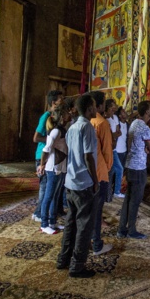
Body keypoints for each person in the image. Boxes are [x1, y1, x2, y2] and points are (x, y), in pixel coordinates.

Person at [57, 94, 99, 278]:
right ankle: (77, 265)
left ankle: (63, 259)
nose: (97, 109)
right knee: (84, 225)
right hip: (83, 182)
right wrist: (95, 180)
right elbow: (88, 157)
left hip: (71, 180)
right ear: (90, 108)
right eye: (95, 106)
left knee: (71, 222)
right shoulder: (87, 127)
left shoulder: (73, 127)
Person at [118, 100, 150, 239]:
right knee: (135, 200)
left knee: (128, 198)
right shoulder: (145, 128)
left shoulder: (133, 123)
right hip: (139, 167)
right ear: (147, 112)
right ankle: (131, 230)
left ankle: (121, 229)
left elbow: (130, 145)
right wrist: (146, 149)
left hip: (130, 164)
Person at [37, 105, 70, 234]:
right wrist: (42, 164)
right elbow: (46, 149)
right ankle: (44, 224)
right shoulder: (56, 131)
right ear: (62, 116)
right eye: (67, 113)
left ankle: (52, 221)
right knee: (49, 196)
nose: (69, 115)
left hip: (61, 166)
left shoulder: (63, 129)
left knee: (56, 196)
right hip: (53, 168)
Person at [89, 91, 113, 256]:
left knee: (89, 209)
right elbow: (106, 151)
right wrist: (108, 168)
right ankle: (96, 243)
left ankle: (88, 239)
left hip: (87, 172)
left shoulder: (86, 121)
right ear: (99, 105)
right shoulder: (102, 123)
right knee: (97, 210)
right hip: (100, 170)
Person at [32, 90, 63, 222]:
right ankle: (39, 213)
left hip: (50, 155)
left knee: (51, 186)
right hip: (42, 155)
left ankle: (50, 212)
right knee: (45, 186)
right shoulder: (46, 116)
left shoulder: (58, 116)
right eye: (61, 100)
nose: (63, 102)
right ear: (53, 102)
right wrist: (51, 139)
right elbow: (36, 138)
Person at [105, 99, 123, 201]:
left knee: (116, 169)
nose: (114, 107)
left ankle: (115, 191)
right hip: (110, 148)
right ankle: (114, 192)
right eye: (112, 105)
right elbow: (111, 135)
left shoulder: (115, 118)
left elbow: (118, 132)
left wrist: (114, 135)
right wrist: (113, 136)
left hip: (114, 148)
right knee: (114, 170)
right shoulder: (106, 120)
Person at [111, 106, 128, 199]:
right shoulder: (117, 125)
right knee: (117, 170)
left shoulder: (127, 124)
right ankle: (115, 190)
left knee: (120, 172)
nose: (126, 113)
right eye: (123, 112)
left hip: (124, 151)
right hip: (117, 151)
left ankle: (116, 189)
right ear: (120, 116)